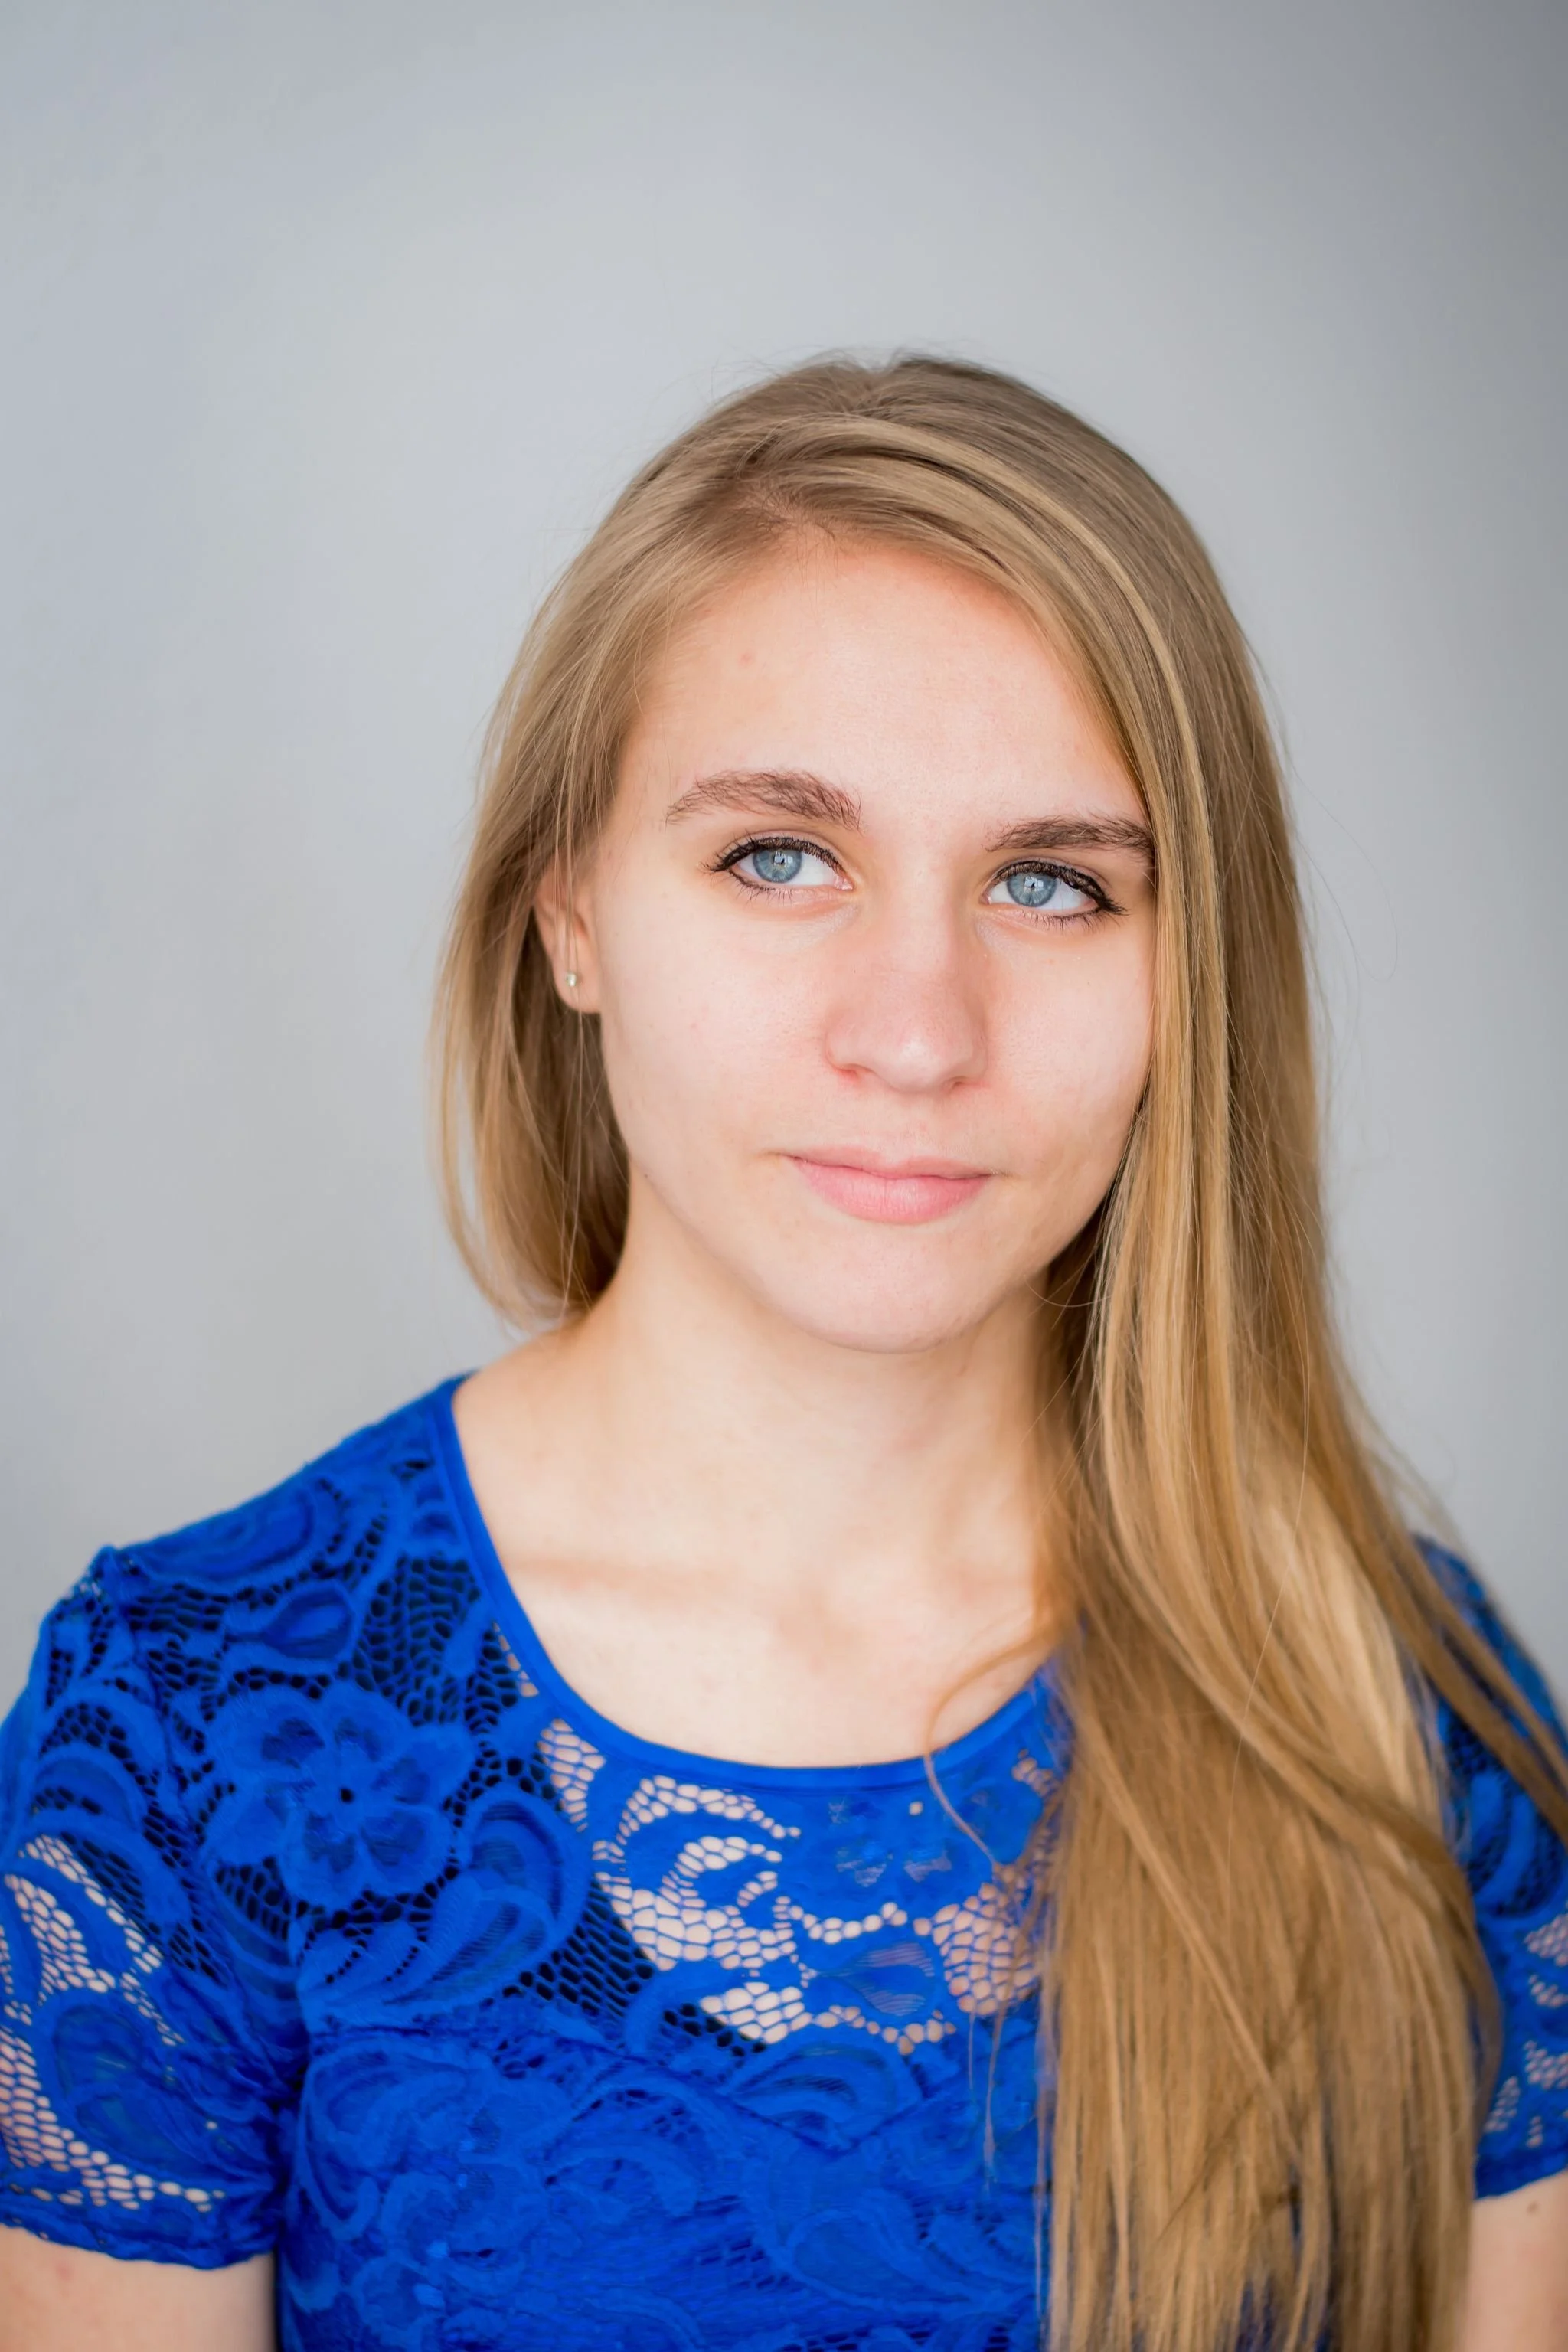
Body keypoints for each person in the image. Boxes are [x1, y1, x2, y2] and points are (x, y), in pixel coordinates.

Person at [1, 357, 1564, 2352]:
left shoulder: (1389, 1711)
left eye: (1051, 884)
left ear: (1194, 978)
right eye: (778, 857)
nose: (918, 1029)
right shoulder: (187, 1733)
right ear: (569, 908)